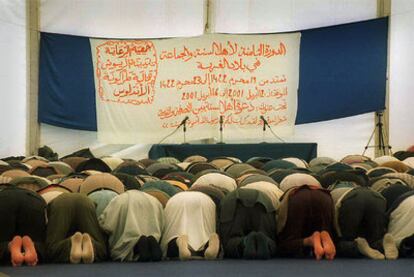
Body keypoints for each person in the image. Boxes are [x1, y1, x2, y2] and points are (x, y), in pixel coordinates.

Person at [99, 190, 164, 262]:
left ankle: (136, 247)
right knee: (151, 236)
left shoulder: (119, 199)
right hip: (153, 233)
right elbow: (162, 221)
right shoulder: (153, 200)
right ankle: (151, 240)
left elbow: (107, 225)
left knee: (124, 247)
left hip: (127, 240)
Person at [277, 185, 336, 260]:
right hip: (324, 196)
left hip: (298, 199)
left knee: (287, 241)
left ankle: (309, 240)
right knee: (326, 231)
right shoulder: (316, 184)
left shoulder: (287, 188)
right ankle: (324, 235)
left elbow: (280, 227)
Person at [46, 193, 108, 263]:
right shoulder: (85, 195)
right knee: (100, 244)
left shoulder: (56, 196)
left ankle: (70, 243)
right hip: (86, 202)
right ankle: (92, 244)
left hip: (60, 204)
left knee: (53, 247)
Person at [219, 188, 277, 259]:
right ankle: (266, 241)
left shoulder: (227, 197)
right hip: (263, 202)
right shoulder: (265, 195)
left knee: (230, 239)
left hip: (233, 203)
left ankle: (244, 242)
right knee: (268, 234)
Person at [161, 191, 220, 260]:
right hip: (205, 201)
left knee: (173, 233)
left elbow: (167, 223)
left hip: (177, 202)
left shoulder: (175, 198)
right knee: (205, 233)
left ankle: (178, 240)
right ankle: (209, 241)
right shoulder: (205, 197)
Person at [0, 186, 47, 266]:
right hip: (34, 200)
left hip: (3, 201)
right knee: (37, 239)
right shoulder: (37, 193)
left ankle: (9, 246)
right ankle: (34, 246)